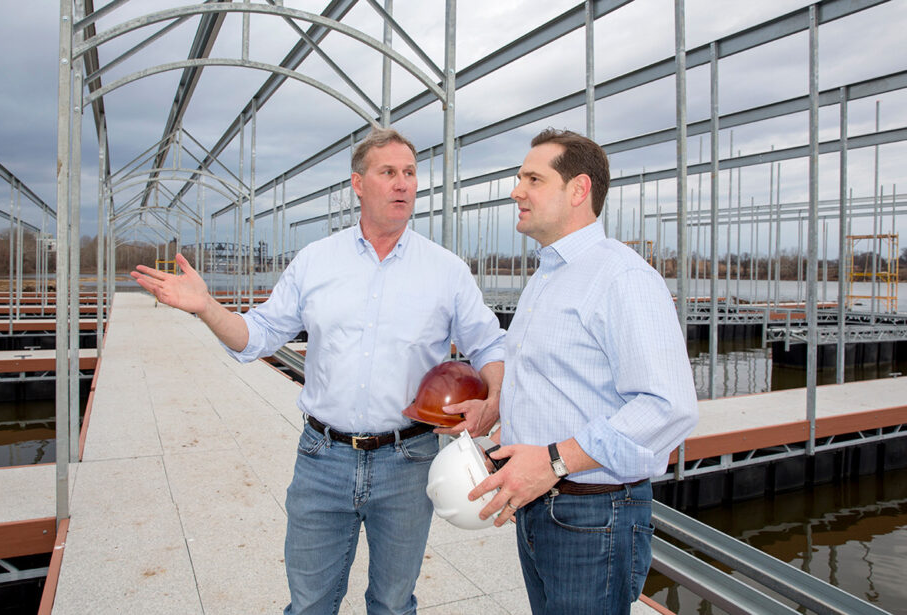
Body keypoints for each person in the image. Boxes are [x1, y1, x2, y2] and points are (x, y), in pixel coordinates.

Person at [131, 127, 505, 615]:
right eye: (388, 172)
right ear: (357, 183)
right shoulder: (315, 262)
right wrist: (206, 307)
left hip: (408, 461)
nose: (402, 184)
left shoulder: (446, 270)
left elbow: (488, 341)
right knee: (309, 604)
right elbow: (258, 335)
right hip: (322, 458)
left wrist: (493, 400)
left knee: (394, 604)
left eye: (410, 173)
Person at [469, 128, 698, 614]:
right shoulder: (548, 275)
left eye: (533, 178)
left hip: (594, 514)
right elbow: (553, 379)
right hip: (540, 503)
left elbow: (668, 407)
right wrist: (496, 405)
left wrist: (553, 460)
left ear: (578, 190)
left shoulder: (622, 277)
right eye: (518, 178)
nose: (516, 191)